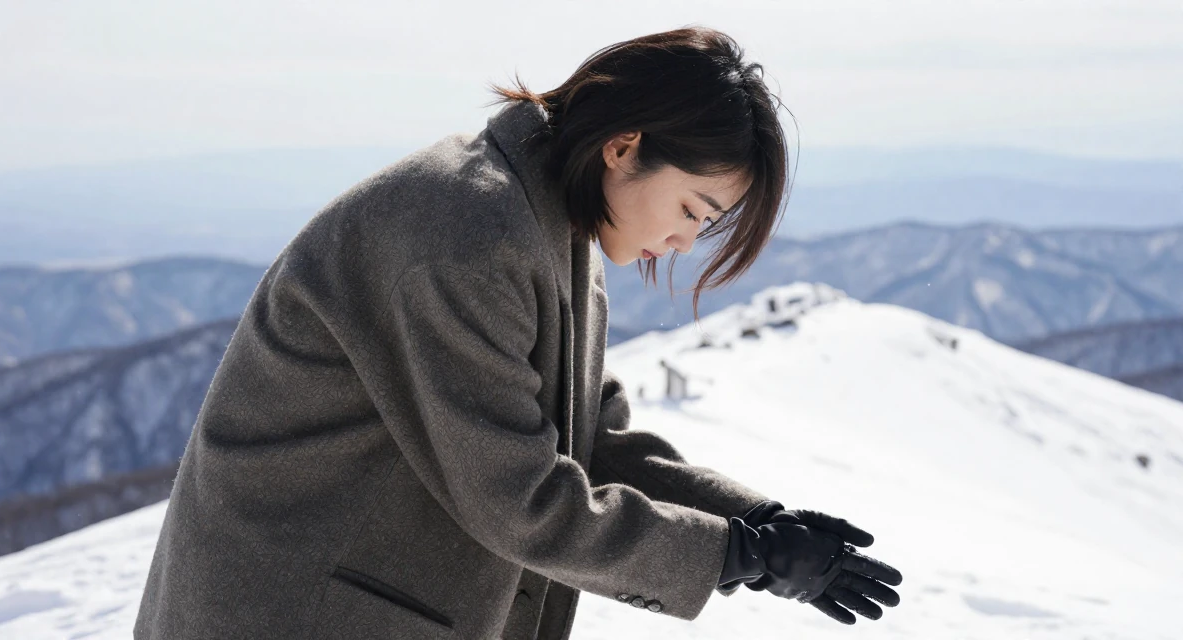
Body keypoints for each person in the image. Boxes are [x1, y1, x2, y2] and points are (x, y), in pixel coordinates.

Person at [133, 25, 901, 640]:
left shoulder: (550, 222)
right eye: (694, 211)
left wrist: (756, 525)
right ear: (626, 146)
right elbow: (522, 498)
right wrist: (741, 556)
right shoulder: (466, 234)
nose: (683, 242)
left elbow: (586, 441)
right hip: (293, 613)